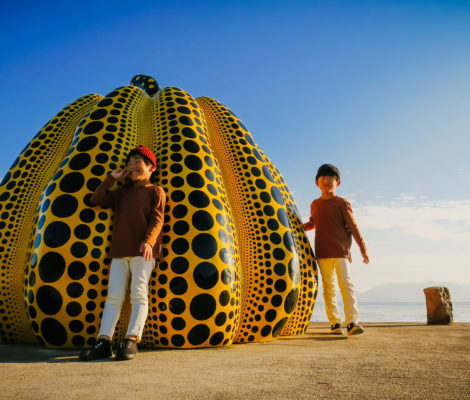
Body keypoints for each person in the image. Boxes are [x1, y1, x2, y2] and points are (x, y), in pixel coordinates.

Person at [79, 145, 166, 361]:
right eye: (130, 163)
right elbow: (95, 199)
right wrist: (111, 179)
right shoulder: (122, 193)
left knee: (138, 294)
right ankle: (104, 341)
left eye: (138, 162)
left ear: (151, 167)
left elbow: (157, 219)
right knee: (113, 297)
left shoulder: (156, 191)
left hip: (143, 252)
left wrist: (148, 242)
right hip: (119, 251)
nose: (132, 166)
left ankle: (131, 339)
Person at [304, 164, 369, 335]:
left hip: (341, 251)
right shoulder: (315, 204)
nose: (326, 180)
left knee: (346, 285)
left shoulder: (341, 203)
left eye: (330, 177)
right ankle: (334, 323)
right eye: (322, 177)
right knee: (328, 288)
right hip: (322, 252)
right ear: (316, 183)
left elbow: (353, 226)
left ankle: (352, 322)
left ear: (337, 182)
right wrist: (297, 226)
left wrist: (362, 248)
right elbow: (313, 223)